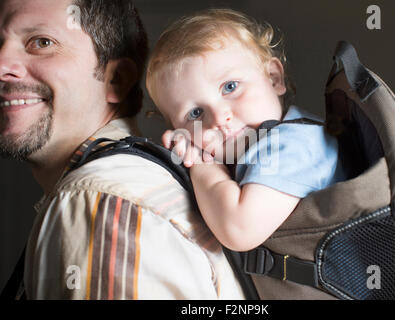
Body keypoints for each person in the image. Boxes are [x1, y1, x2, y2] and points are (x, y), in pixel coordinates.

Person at [0, 0, 244, 299]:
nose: (2, 65)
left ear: (116, 79)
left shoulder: (96, 199)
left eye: (41, 42)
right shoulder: (125, 182)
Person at [146, 9, 347, 252]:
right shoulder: (251, 147)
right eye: (196, 113)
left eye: (230, 87)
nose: (219, 118)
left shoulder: (295, 145)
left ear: (274, 78)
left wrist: (202, 166)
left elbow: (238, 230)